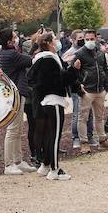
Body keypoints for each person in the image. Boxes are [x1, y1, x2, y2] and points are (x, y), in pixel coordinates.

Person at [26, 30, 78, 180]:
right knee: (55, 136)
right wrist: (74, 69)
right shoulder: (48, 60)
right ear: (49, 43)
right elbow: (58, 80)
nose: (57, 42)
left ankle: (46, 164)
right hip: (53, 100)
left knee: (49, 134)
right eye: (54, 40)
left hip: (45, 100)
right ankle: (55, 169)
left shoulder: (41, 59)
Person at [0, 28, 33, 173]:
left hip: (17, 93)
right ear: (9, 41)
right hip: (14, 94)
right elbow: (29, 61)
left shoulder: (6, 52)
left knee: (17, 129)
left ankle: (18, 160)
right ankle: (9, 164)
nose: (18, 38)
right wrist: (35, 44)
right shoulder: (11, 54)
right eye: (15, 37)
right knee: (12, 129)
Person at [74, 28, 108, 152]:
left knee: (100, 117)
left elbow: (104, 69)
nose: (90, 41)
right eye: (87, 39)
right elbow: (73, 72)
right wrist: (79, 86)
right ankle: (84, 142)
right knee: (83, 117)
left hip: (100, 90)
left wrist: (106, 87)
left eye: (92, 39)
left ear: (96, 39)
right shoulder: (79, 53)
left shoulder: (100, 53)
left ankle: (102, 140)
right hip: (87, 90)